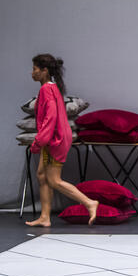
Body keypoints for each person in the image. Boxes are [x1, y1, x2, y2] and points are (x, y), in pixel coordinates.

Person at [26, 54, 99, 227]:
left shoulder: (47, 90)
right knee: (42, 176)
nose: (32, 73)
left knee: (54, 180)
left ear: (44, 71)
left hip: (55, 140)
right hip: (53, 138)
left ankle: (89, 203)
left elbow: (50, 120)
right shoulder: (50, 88)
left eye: (35, 69)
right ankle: (45, 217)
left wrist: (38, 143)